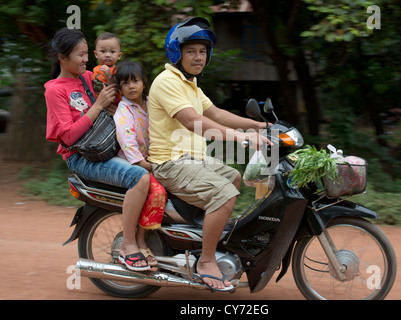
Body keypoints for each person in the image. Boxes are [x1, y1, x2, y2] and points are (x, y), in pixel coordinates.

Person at [148, 17, 271, 291]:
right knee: (224, 193)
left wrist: (260, 125)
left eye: (203, 51)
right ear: (176, 52)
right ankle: (205, 261)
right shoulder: (168, 81)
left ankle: (203, 239)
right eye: (191, 51)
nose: (198, 57)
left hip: (193, 160)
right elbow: (193, 122)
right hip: (171, 162)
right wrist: (242, 138)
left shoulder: (190, 85)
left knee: (234, 177)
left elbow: (215, 113)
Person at [45, 28, 151, 271]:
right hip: (80, 157)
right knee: (141, 177)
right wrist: (99, 105)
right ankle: (128, 245)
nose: (86, 60)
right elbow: (69, 136)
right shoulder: (54, 89)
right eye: (80, 55)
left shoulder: (86, 79)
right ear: (62, 57)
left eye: (85, 54)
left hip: (104, 147)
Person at [114, 61, 167, 266]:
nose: (131, 86)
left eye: (135, 81)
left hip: (156, 158)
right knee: (159, 191)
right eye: (125, 83)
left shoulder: (151, 103)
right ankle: (139, 238)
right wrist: (148, 166)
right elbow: (128, 144)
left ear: (144, 82)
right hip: (134, 163)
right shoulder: (124, 110)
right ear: (120, 88)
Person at [92, 32, 122, 102]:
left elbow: (117, 90)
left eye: (112, 52)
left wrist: (109, 76)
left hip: (113, 103)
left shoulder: (118, 71)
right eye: (103, 51)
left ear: (119, 56)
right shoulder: (96, 69)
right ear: (96, 54)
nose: (107, 55)